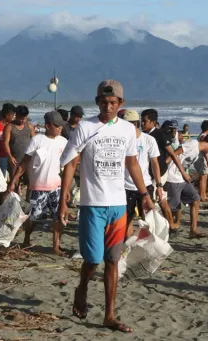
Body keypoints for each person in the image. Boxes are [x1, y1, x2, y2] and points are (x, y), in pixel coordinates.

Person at [59, 80, 154, 333]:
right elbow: (70, 163)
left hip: (118, 206)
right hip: (92, 205)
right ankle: (82, 288)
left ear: (121, 104)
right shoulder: (86, 127)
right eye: (103, 102)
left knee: (112, 260)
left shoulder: (126, 130)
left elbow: (132, 164)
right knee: (92, 261)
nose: (108, 106)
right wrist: (64, 199)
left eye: (113, 102)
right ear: (97, 101)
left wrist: (145, 193)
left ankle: (109, 315)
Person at [8, 111, 68, 255]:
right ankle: (26, 240)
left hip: (57, 187)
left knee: (58, 217)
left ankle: (56, 246)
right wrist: (13, 181)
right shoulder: (37, 140)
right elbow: (24, 164)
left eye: (61, 126)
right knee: (33, 217)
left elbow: (69, 167)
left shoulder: (63, 142)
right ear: (47, 126)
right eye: (57, 126)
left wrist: (67, 190)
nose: (60, 129)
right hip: (38, 187)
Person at [165, 134, 208, 238]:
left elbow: (184, 161)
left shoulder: (198, 152)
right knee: (172, 207)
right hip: (173, 177)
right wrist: (166, 163)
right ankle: (170, 229)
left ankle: (193, 230)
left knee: (195, 199)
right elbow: (175, 153)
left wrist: (185, 173)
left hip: (182, 178)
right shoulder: (193, 144)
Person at [122, 109, 162, 239]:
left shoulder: (148, 140)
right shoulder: (122, 140)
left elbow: (155, 163)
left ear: (134, 124)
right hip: (125, 186)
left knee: (147, 219)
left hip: (145, 185)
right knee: (126, 219)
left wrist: (159, 186)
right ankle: (127, 245)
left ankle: (147, 244)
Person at [3, 105, 35, 197]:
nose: (22, 121)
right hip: (15, 160)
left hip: (28, 160)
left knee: (30, 182)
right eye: (21, 118)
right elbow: (5, 143)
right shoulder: (9, 127)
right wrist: (10, 157)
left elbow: (35, 142)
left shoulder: (30, 127)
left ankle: (29, 201)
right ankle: (16, 203)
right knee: (15, 183)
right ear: (16, 115)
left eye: (24, 119)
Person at [0, 103, 16, 178]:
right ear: (7, 115)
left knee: (13, 175)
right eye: (12, 115)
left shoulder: (12, 126)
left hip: (12, 156)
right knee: (1, 176)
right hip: (0, 156)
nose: (13, 117)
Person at [195, 120, 208, 202]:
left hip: (201, 159)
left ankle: (203, 194)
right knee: (203, 177)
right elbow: (204, 150)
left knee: (204, 177)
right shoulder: (204, 136)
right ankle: (202, 195)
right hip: (202, 159)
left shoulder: (201, 135)